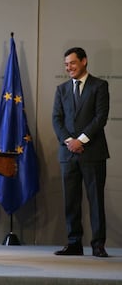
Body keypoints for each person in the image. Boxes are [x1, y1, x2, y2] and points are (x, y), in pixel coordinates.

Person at [52, 47, 110, 257]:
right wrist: (70, 142)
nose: (69, 68)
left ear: (84, 61)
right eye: (66, 64)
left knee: (95, 200)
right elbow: (56, 120)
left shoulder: (100, 86)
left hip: (92, 152)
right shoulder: (62, 89)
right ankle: (74, 243)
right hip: (68, 153)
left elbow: (100, 118)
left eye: (72, 63)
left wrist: (81, 140)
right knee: (71, 201)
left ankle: (98, 245)